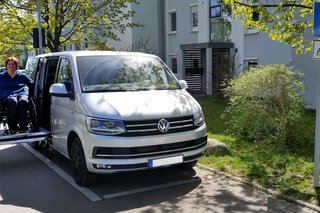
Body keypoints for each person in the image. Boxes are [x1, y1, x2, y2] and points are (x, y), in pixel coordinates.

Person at [0, 57, 33, 132]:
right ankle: (13, 125)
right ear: (6, 66)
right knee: (13, 101)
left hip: (20, 93)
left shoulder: (21, 75)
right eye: (9, 64)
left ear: (16, 65)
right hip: (7, 95)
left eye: (13, 64)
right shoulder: (1, 76)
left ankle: (23, 126)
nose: (11, 66)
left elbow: (31, 84)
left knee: (23, 101)